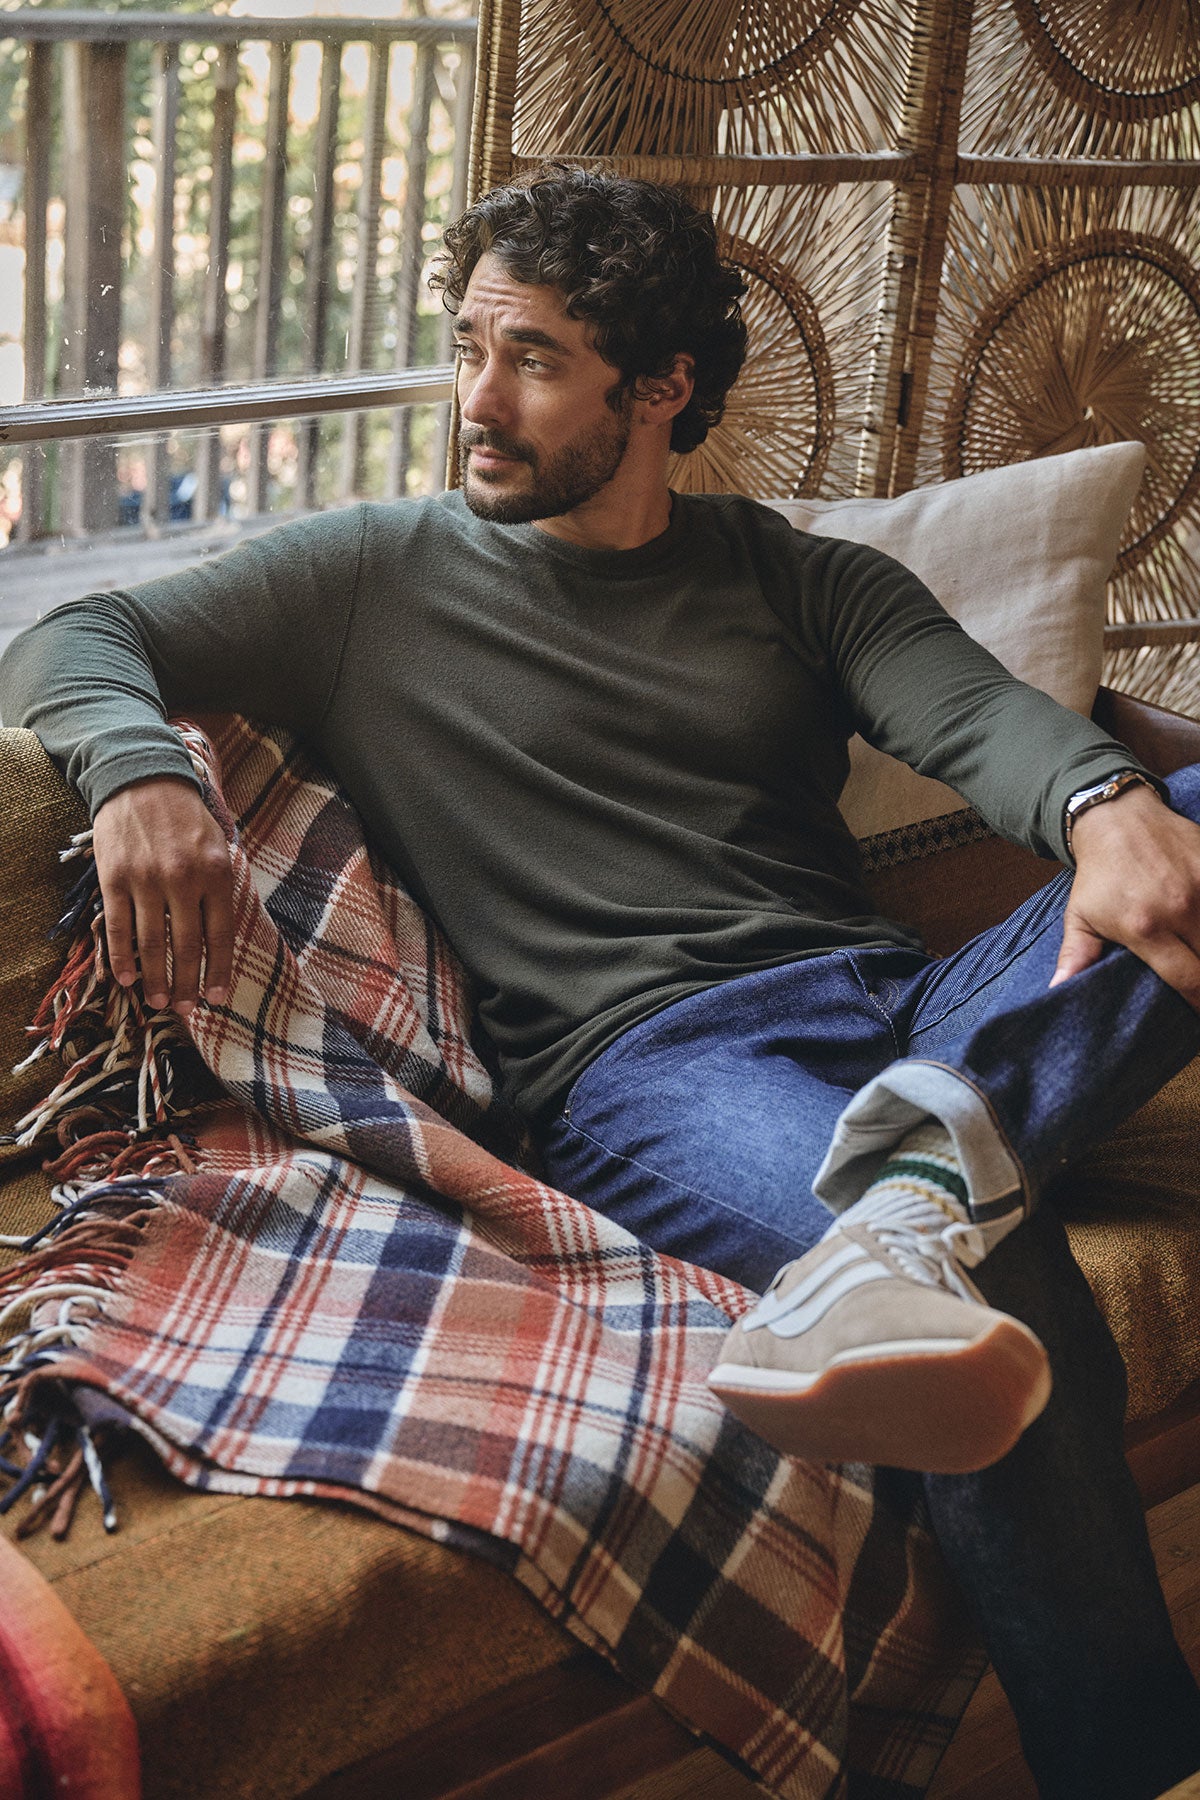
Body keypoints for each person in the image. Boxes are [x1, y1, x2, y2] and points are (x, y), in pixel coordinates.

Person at [4, 164, 1200, 1799]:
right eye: (468, 345)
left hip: (906, 1012)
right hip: (653, 1076)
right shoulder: (371, 580)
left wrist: (1101, 803)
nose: (474, 402)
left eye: (535, 360)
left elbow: (976, 718)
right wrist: (140, 775)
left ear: (661, 390)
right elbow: (72, 641)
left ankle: (925, 1166)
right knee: (994, 1278)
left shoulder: (794, 576)